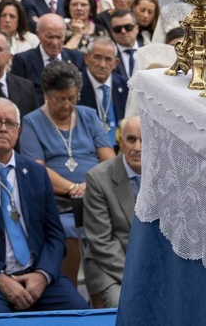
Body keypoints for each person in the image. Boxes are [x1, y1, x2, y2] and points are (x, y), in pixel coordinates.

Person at [0, 98, 87, 313]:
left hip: (36, 273)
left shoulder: (37, 173)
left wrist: (43, 275)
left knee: (79, 313)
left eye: (10, 123)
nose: (3, 128)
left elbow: (55, 235)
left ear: (18, 131)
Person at [18, 62, 115, 283]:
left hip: (96, 193)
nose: (67, 104)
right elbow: (37, 169)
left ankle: (104, 290)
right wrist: (73, 189)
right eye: (60, 99)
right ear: (46, 95)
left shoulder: (88, 115)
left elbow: (108, 158)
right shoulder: (32, 122)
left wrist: (91, 185)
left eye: (72, 98)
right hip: (59, 201)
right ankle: (68, 287)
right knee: (68, 229)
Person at [81, 114, 140, 308]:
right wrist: (136, 277)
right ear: (120, 143)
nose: (138, 148)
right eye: (131, 139)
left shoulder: (164, 177)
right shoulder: (98, 178)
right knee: (122, 303)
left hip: (150, 263)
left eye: (145, 140)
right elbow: (101, 242)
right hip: (109, 266)